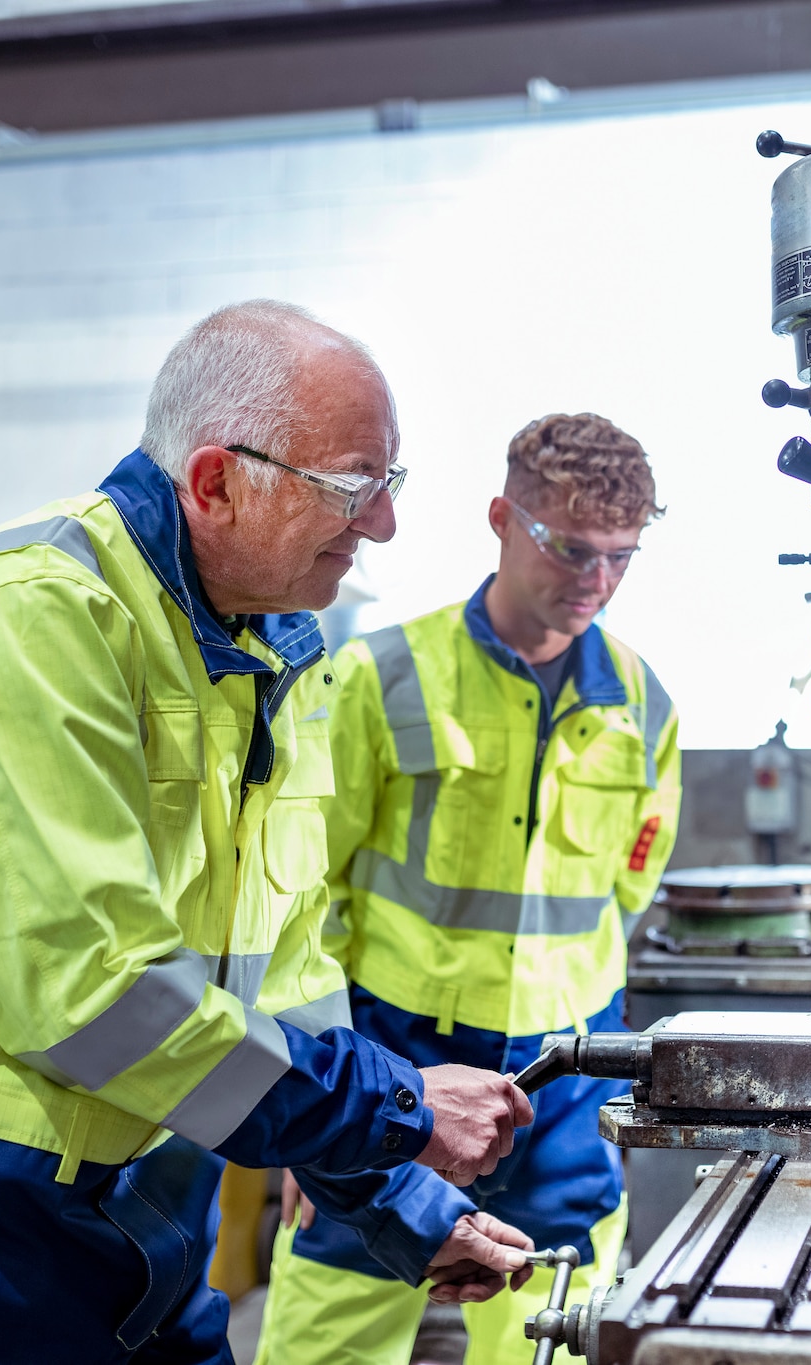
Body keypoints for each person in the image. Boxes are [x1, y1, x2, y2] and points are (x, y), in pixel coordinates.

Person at [0, 300, 538, 1365]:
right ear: (216, 482)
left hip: (118, 1195)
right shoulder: (31, 616)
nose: (383, 527)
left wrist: (395, 1195)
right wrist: (396, 1109)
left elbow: (282, 981)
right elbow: (87, 991)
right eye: (353, 489)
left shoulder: (270, 663)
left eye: (387, 488)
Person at [254, 413, 682, 1365]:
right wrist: (311, 1106)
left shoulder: (644, 706)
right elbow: (297, 899)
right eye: (571, 549)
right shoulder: (378, 678)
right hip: (389, 1072)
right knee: (328, 1342)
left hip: (565, 1090)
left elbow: (628, 888)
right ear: (501, 517)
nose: (596, 582)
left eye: (622, 556)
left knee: (554, 1337)